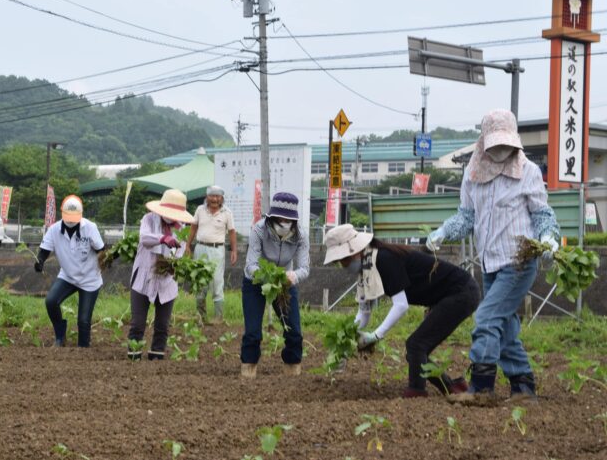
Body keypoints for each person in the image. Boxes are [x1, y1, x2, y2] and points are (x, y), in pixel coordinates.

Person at [427, 109, 560, 402]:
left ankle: (482, 387)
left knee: (486, 318)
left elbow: (542, 214)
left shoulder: (528, 172)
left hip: (519, 261)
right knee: (505, 325)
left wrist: (548, 237)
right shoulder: (473, 174)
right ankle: (523, 387)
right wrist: (444, 231)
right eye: (495, 144)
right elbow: (466, 216)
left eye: (506, 144)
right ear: (484, 141)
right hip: (489, 263)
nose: (501, 150)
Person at [323, 224, 479, 397]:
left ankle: (416, 393)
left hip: (461, 292)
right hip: (446, 296)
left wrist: (376, 335)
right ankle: (453, 388)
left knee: (416, 345)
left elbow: (401, 305)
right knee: (416, 352)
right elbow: (363, 313)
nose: (344, 265)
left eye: (344, 259)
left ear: (355, 249)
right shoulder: (367, 269)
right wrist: (345, 343)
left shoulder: (383, 259)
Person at [240, 192, 309, 378]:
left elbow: (305, 268)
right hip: (256, 282)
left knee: (293, 330)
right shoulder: (258, 230)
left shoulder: (301, 235)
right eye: (280, 218)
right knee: (253, 331)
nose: (284, 223)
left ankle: (292, 367)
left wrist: (292, 276)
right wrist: (266, 277)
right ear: (272, 217)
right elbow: (250, 265)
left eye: (288, 219)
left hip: (285, 282)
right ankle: (248, 367)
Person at [127, 189, 194, 360]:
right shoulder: (148, 219)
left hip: (166, 281)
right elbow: (144, 239)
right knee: (137, 323)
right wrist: (163, 238)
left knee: (162, 325)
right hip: (144, 277)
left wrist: (174, 265)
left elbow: (179, 255)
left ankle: (156, 356)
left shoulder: (182, 228)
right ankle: (133, 356)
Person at [35, 195, 106, 348]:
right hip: (68, 276)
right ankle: (60, 337)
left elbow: (101, 251)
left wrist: (109, 258)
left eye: (75, 217)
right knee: (51, 301)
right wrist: (40, 261)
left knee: (83, 320)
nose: (72, 220)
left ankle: (83, 349)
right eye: (69, 216)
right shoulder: (54, 230)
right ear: (62, 213)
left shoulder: (90, 228)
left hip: (90, 279)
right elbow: (44, 250)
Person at [186, 185, 237, 324]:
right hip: (200, 248)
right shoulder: (200, 210)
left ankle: (218, 317)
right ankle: (200, 316)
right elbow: (193, 227)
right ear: (207, 197)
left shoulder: (227, 213)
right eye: (212, 196)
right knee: (200, 281)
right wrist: (188, 245)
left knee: (216, 281)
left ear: (221, 199)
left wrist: (234, 250)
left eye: (217, 197)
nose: (214, 199)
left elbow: (232, 232)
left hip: (217, 250)